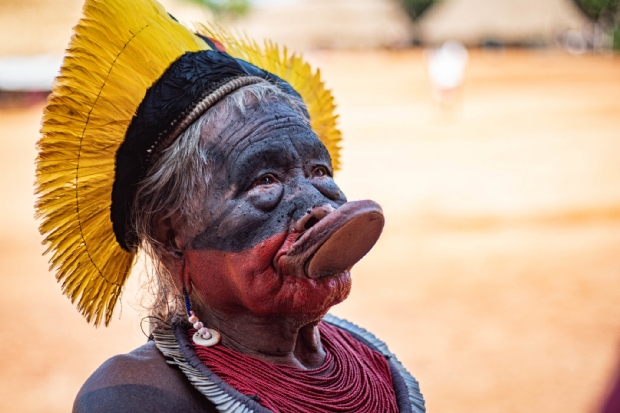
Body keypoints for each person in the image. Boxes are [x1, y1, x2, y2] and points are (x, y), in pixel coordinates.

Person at [35, 0, 425, 411]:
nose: (318, 207)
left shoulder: (375, 365)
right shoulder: (136, 397)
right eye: (265, 181)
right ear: (172, 236)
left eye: (319, 171)